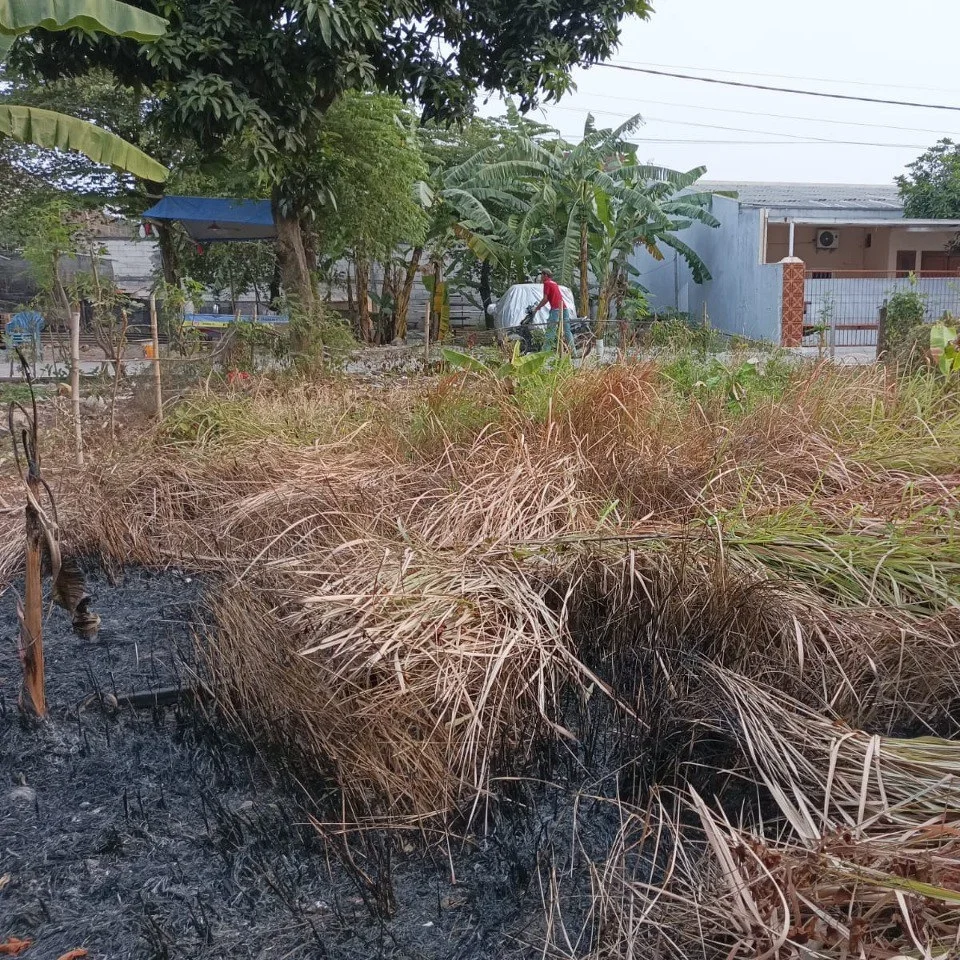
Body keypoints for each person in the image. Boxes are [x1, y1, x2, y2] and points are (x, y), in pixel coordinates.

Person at [530, 268, 576, 356]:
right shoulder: (554, 283)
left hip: (556, 309)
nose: (541, 277)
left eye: (542, 275)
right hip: (564, 308)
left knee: (551, 331)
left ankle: (544, 354)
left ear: (545, 275)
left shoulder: (547, 283)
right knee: (567, 331)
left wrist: (537, 308)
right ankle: (574, 352)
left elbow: (545, 299)